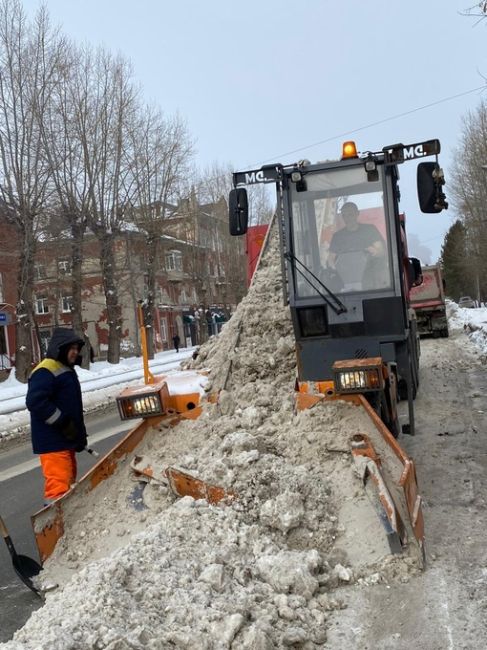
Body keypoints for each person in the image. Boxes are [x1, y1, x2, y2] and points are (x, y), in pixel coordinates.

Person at [26, 328, 88, 504]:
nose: (75, 352)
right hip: (52, 442)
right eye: (71, 348)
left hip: (64, 439)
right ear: (60, 348)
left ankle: (68, 525)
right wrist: (62, 422)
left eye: (77, 348)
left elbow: (71, 406)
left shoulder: (65, 368)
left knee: (68, 485)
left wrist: (78, 437)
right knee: (58, 489)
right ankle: (54, 528)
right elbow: (35, 402)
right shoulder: (45, 370)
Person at [328, 202, 386, 290]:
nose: (347, 218)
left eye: (350, 214)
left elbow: (381, 251)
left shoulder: (369, 230)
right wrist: (335, 268)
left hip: (370, 277)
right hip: (345, 278)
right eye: (344, 215)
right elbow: (331, 259)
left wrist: (374, 251)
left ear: (357, 213)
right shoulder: (338, 236)